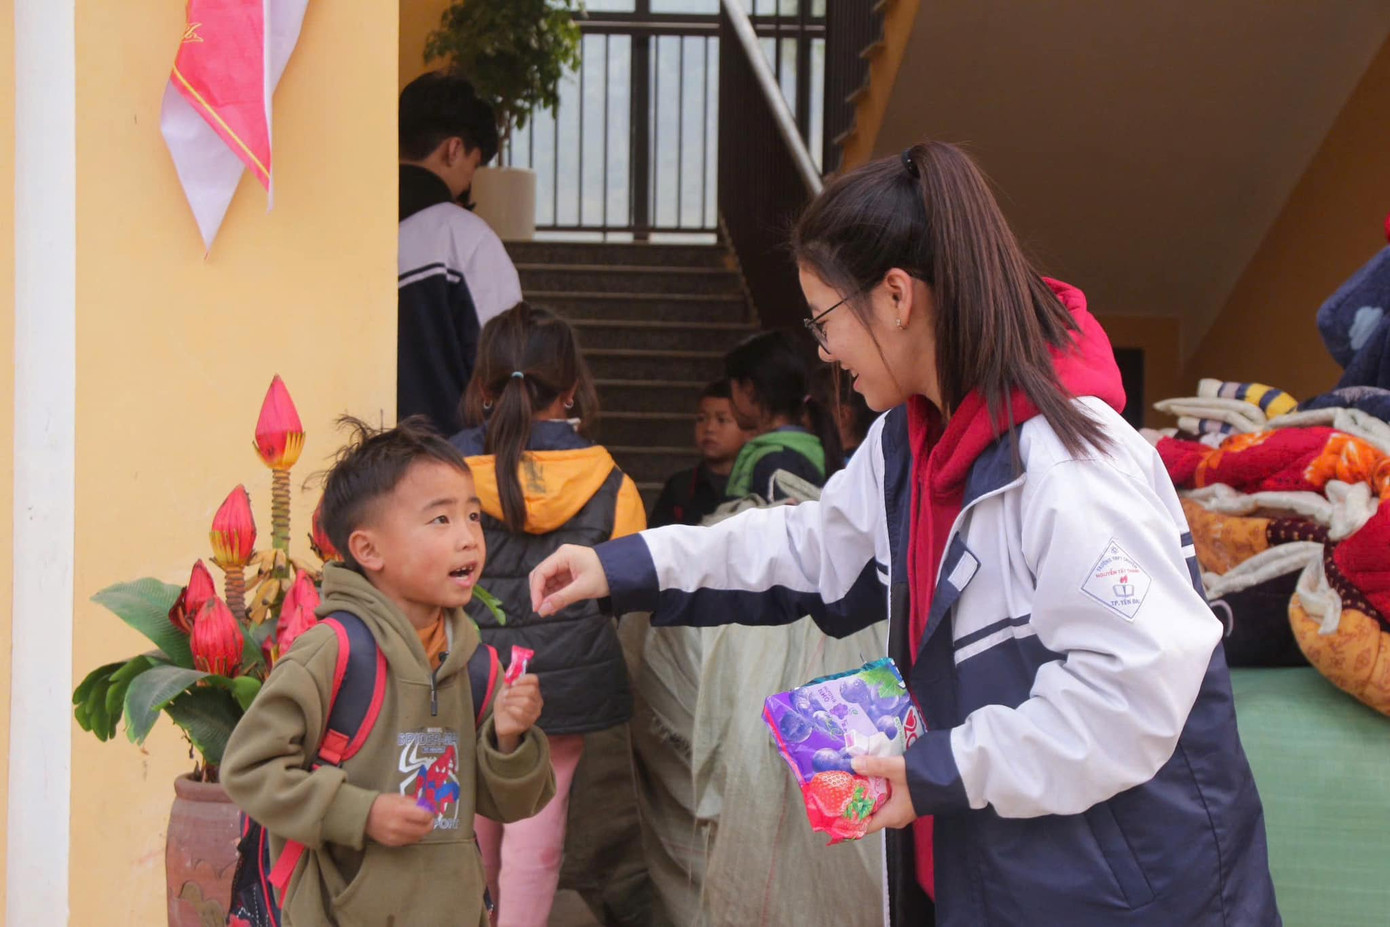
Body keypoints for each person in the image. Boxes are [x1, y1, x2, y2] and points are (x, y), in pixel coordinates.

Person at [527, 141, 1280, 926]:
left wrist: (933, 769)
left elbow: (1126, 698)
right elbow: (813, 546)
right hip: (978, 875)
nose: (824, 352)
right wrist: (628, 563)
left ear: (895, 296)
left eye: (825, 319)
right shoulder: (904, 444)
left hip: (1120, 895)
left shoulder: (1071, 465)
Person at [221, 417, 555, 927]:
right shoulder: (332, 654)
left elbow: (513, 802)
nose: (468, 538)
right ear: (368, 550)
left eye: (473, 516)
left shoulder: (478, 668)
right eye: (440, 520)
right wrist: (361, 813)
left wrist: (509, 741)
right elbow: (248, 769)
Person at [449, 302, 646, 927]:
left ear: (484, 386)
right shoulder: (609, 477)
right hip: (561, 683)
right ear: (570, 391)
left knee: (466, 818)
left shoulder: (442, 470)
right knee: (540, 823)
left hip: (464, 675)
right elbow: (625, 585)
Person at [398, 71, 523, 435]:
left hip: (359, 475)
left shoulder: (348, 228)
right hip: (449, 469)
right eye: (474, 163)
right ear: (455, 149)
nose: (469, 180)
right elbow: (507, 370)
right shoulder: (464, 239)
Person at [723, 331, 844, 500]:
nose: (730, 400)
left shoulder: (776, 461)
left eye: (732, 389)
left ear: (749, 390)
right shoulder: (798, 449)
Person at [648, 379, 750, 528]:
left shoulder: (755, 481)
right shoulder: (680, 486)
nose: (709, 428)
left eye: (722, 420)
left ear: (748, 429)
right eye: (701, 419)